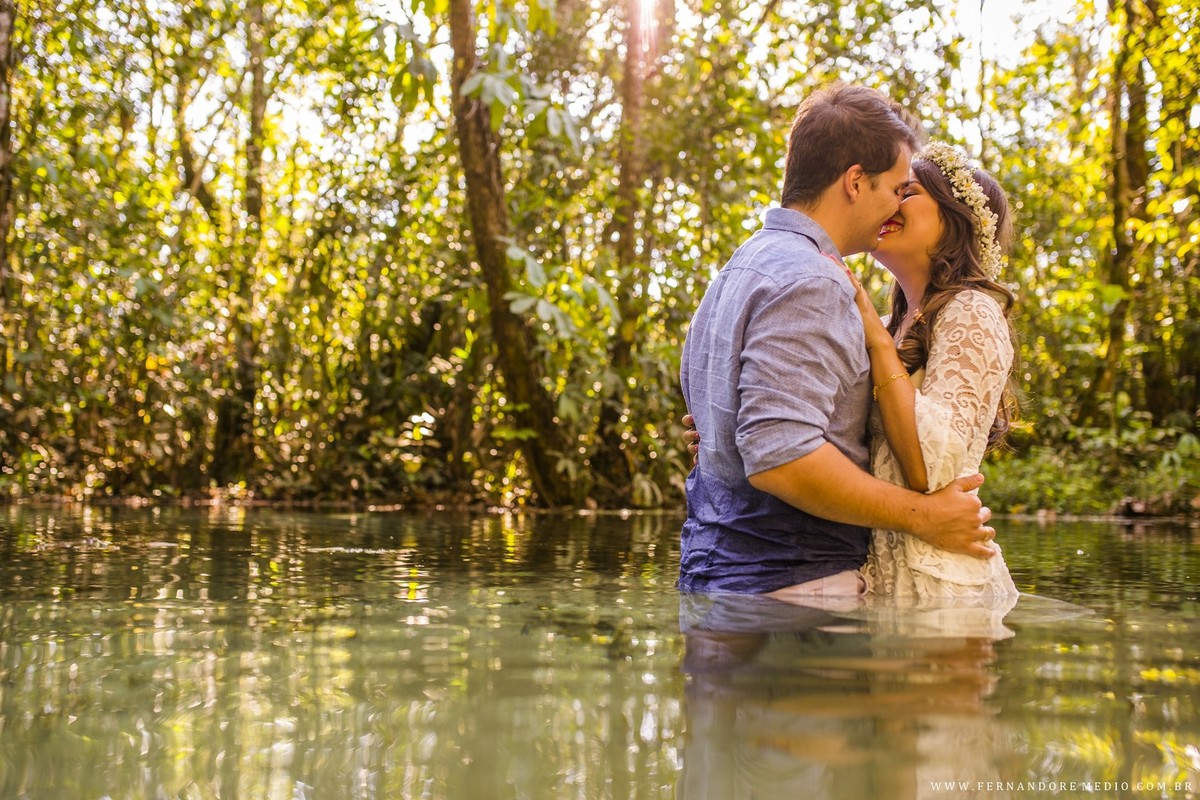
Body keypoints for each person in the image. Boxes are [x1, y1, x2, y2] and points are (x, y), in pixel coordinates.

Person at [679, 82, 996, 602]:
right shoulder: (814, 280)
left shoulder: (735, 271)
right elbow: (782, 457)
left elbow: (734, 428)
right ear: (855, 182)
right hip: (792, 585)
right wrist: (925, 518)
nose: (897, 204)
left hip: (717, 573)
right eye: (896, 188)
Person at [846, 140, 1019, 600]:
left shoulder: (973, 312)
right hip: (875, 574)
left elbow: (931, 466)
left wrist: (877, 339)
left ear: (953, 219)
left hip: (940, 584)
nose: (890, 201)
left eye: (909, 191)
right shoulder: (886, 328)